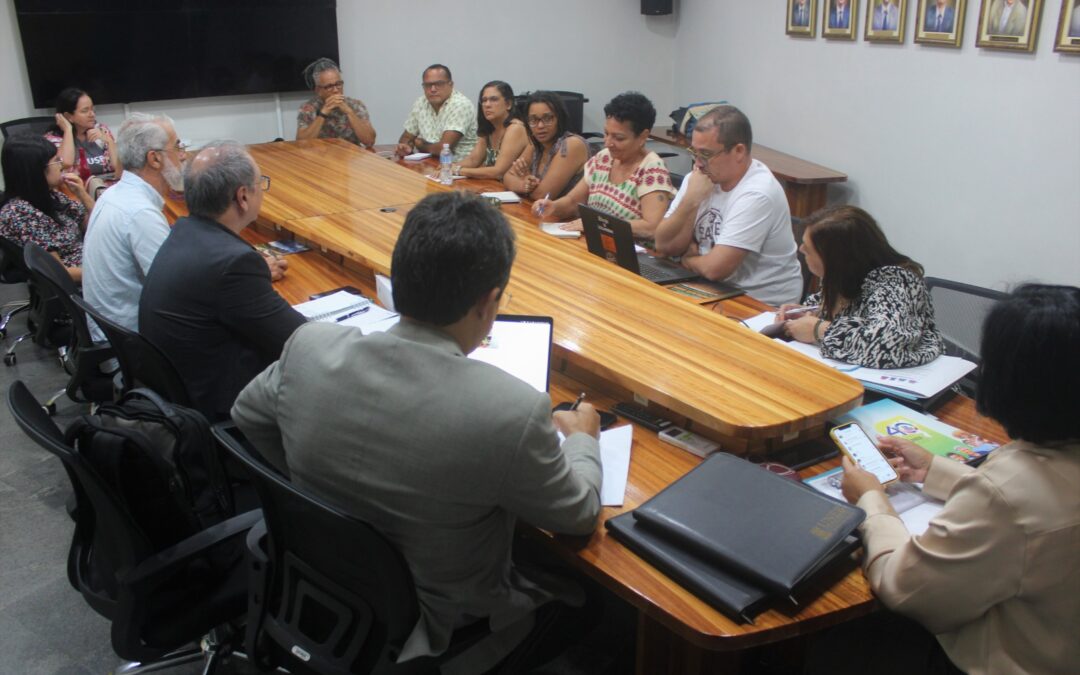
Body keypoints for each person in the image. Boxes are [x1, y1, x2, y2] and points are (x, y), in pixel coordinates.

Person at [232, 191, 603, 673]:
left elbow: (247, 415)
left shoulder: (311, 345)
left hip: (320, 583)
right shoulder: (509, 410)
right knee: (592, 601)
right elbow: (577, 516)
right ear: (489, 303)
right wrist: (582, 439)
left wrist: (308, 493)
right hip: (436, 630)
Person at [829, 284, 1080, 675]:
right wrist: (935, 471)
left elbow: (907, 589)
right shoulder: (1042, 467)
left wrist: (872, 501)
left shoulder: (1010, 492)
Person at [140, 142, 306, 422]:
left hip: (178, 395)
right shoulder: (234, 264)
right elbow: (299, 340)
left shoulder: (185, 232)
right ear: (242, 196)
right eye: (259, 184)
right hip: (222, 411)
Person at [654, 105, 803, 307]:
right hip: (710, 288)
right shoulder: (699, 178)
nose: (697, 163)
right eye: (694, 152)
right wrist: (691, 201)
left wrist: (688, 260)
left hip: (758, 302)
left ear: (739, 151)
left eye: (705, 154)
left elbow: (716, 268)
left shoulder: (757, 193)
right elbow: (663, 245)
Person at [774, 205, 944, 368]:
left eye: (808, 248)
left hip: (911, 387)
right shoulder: (841, 277)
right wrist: (807, 311)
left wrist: (818, 329)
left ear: (836, 259)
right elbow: (843, 310)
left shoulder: (897, 282)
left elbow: (884, 346)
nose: (801, 250)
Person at [81, 113, 187, 339]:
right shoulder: (140, 213)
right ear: (155, 159)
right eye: (177, 147)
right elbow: (178, 291)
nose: (184, 155)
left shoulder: (114, 194)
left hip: (112, 332)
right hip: (133, 345)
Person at [532, 92, 674, 238]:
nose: (608, 143)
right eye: (606, 134)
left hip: (633, 253)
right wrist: (553, 207)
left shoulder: (652, 170)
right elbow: (573, 201)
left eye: (618, 138)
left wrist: (597, 224)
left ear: (643, 136)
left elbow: (651, 227)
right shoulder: (604, 158)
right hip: (597, 243)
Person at [0, 135, 94, 282]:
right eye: (56, 161)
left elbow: (94, 224)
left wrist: (82, 195)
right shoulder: (21, 213)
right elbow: (58, 273)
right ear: (36, 170)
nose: (61, 166)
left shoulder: (49, 195)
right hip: (81, 280)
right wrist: (105, 274)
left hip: (89, 259)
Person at [503, 91, 590, 201]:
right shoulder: (535, 145)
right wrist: (524, 185)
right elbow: (507, 177)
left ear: (559, 118)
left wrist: (523, 182)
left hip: (566, 217)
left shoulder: (571, 145)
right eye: (533, 120)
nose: (540, 126)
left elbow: (542, 196)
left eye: (547, 118)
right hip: (537, 212)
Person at [44, 87, 122, 190]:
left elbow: (118, 169)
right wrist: (67, 130)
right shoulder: (53, 139)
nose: (92, 114)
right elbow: (65, 163)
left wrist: (109, 141)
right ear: (68, 116)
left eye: (92, 109)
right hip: (76, 191)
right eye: (85, 111)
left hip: (106, 189)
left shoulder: (101, 130)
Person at [396, 64, 477, 162]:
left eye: (438, 84)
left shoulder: (460, 105)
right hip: (430, 165)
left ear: (451, 85)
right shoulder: (421, 102)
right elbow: (406, 138)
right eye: (428, 85)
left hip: (459, 168)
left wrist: (421, 145)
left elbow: (444, 149)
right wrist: (405, 147)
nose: (433, 89)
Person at [295, 58, 376, 147]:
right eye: (329, 86)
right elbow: (302, 144)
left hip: (352, 157)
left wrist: (349, 112)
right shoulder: (308, 108)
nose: (335, 90)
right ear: (318, 90)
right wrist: (323, 113)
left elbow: (370, 141)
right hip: (321, 157)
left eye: (338, 84)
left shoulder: (356, 105)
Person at [457, 80, 528, 180]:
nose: (487, 105)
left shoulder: (515, 128)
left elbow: (498, 172)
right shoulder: (490, 128)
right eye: (484, 100)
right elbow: (473, 160)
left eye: (493, 99)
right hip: (492, 187)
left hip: (512, 191)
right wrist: (448, 167)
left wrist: (458, 170)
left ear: (508, 104)